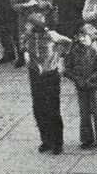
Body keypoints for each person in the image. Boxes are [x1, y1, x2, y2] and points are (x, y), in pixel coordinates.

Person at [24, 13, 69, 155]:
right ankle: (46, 140)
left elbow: (67, 42)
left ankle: (57, 143)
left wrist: (59, 56)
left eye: (29, 23)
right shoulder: (28, 36)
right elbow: (24, 47)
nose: (27, 26)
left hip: (50, 74)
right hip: (35, 74)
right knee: (38, 108)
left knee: (52, 108)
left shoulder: (52, 35)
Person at [63, 27, 97, 150]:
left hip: (94, 87)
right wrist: (77, 79)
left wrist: (91, 80)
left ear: (92, 37)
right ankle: (87, 139)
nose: (83, 38)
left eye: (86, 36)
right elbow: (67, 69)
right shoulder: (73, 52)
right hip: (81, 87)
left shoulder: (96, 52)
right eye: (81, 36)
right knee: (84, 114)